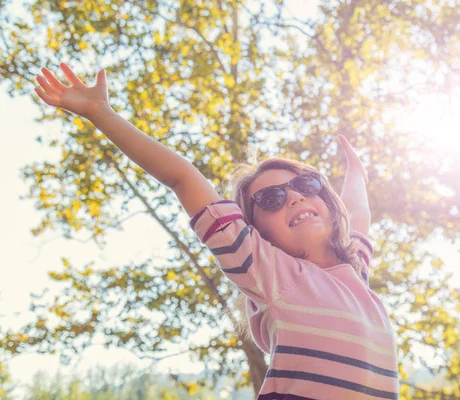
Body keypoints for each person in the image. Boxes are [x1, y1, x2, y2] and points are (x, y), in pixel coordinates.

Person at [34, 63, 399, 399]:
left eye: (306, 185)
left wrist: (357, 173)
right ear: (257, 234)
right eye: (271, 198)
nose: (293, 197)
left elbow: (358, 210)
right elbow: (183, 177)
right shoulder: (271, 272)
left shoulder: (356, 275)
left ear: (329, 205)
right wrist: (102, 114)